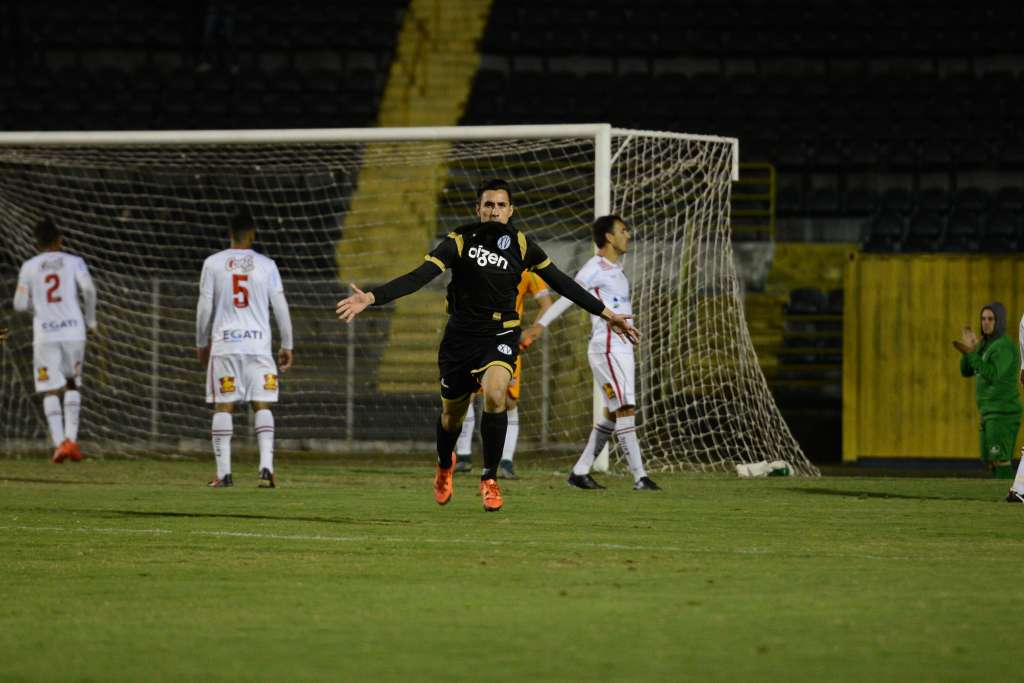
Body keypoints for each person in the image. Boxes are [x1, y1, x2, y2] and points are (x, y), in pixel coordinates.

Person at [335, 179, 639, 512]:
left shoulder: (523, 246)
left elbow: (564, 283)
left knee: (496, 395)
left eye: (501, 205)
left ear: (511, 211)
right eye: (488, 205)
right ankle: (443, 464)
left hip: (501, 335)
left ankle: (489, 478)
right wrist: (373, 297)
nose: (494, 210)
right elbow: (419, 276)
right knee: (451, 417)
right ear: (478, 209)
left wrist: (607, 314)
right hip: (460, 339)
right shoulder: (459, 240)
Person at [522, 215, 660, 492]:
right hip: (608, 345)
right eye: (623, 230)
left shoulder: (616, 270)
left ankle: (580, 471)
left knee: (613, 413)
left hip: (619, 347)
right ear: (608, 237)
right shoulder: (593, 268)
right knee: (626, 409)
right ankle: (640, 478)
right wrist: (539, 326)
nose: (628, 235)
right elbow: (567, 296)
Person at [196, 208, 294, 488]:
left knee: (223, 405)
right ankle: (266, 468)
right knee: (261, 403)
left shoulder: (213, 263)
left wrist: (201, 343)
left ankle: (224, 473)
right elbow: (280, 306)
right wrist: (287, 343)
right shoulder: (267, 264)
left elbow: (204, 308)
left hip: (226, 345)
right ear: (252, 234)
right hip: (259, 345)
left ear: (230, 235)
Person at [12, 218, 97, 463]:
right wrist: (91, 321)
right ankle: (71, 440)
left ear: (36, 242)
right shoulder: (74, 262)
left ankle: (59, 444)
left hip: (46, 333)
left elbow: (19, 305)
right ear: (60, 239)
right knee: (72, 382)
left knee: (50, 387)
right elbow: (89, 290)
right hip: (73, 330)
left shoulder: (29, 267)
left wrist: (36, 306)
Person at [455, 270, 552, 479]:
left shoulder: (528, 270)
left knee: (507, 401)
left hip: (507, 345)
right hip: (476, 341)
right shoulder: (481, 262)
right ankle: (463, 457)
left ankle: (506, 461)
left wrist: (533, 332)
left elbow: (547, 305)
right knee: (465, 394)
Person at [953, 302, 1020, 489]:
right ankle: (1002, 493)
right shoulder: (984, 344)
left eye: (990, 319)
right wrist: (970, 350)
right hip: (989, 411)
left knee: (1001, 459)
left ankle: (1008, 496)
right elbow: (966, 371)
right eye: (983, 319)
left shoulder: (1004, 346)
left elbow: (992, 374)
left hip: (1003, 412)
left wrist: (971, 354)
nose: (986, 323)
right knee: (989, 459)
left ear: (999, 321)